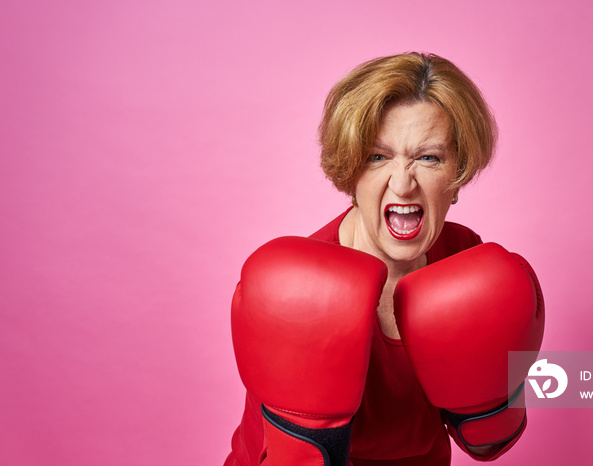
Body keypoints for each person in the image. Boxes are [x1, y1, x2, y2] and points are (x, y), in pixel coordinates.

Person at [224, 52, 545, 465]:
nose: (403, 182)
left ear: (458, 173)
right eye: (378, 157)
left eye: (428, 157)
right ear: (351, 172)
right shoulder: (298, 289)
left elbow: (485, 442)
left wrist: (494, 403)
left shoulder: (466, 258)